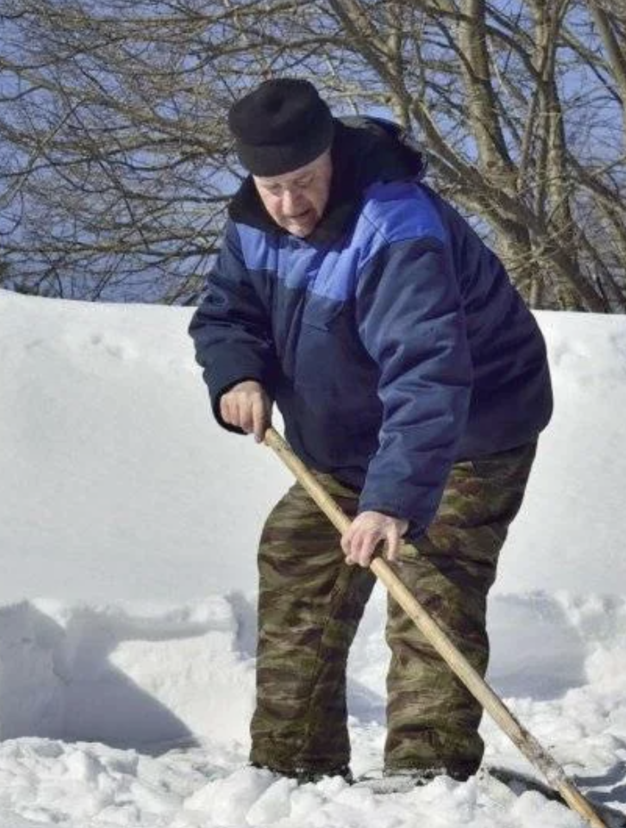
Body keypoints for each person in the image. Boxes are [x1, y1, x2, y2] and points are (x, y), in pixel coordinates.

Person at [189, 78, 552, 783]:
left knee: (429, 575)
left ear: (331, 155)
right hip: (351, 438)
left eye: (303, 182)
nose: (290, 206)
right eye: (272, 188)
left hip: (464, 431)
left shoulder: (397, 227)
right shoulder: (251, 226)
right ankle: (295, 772)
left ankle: (427, 779)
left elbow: (427, 373)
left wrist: (391, 502)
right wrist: (237, 375)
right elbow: (226, 315)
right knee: (297, 553)